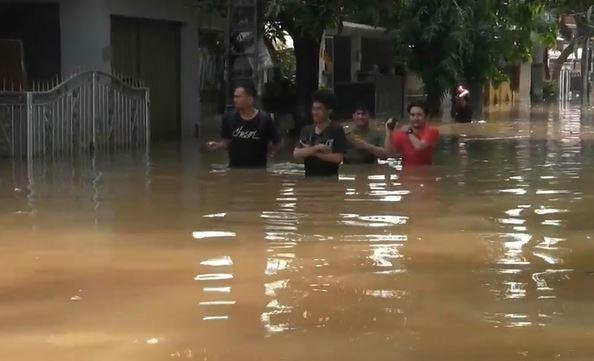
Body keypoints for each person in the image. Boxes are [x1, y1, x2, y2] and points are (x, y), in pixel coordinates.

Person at [205, 82, 281, 168]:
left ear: (250, 99)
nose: (235, 100)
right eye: (234, 96)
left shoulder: (265, 119)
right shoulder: (228, 118)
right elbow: (226, 140)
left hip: (258, 170)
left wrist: (269, 153)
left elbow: (277, 142)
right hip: (234, 169)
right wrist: (218, 145)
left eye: (238, 97)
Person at [293, 89, 347, 177]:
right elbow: (296, 154)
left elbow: (338, 158)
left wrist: (313, 153)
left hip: (330, 182)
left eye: (319, 109)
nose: (315, 112)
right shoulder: (306, 130)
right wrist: (317, 148)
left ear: (329, 111)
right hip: (309, 180)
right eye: (313, 109)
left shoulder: (336, 129)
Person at [384, 101, 439, 166]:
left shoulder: (432, 131)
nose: (415, 118)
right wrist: (388, 132)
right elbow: (389, 153)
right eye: (412, 115)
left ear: (426, 117)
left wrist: (409, 132)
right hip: (405, 172)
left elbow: (419, 147)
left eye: (419, 115)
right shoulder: (401, 133)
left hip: (425, 171)